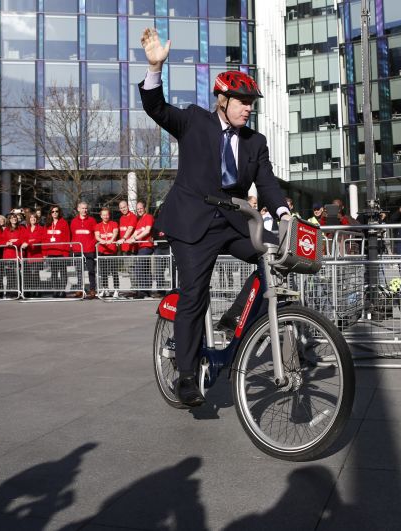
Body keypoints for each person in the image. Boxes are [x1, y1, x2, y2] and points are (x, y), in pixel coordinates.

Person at [140, 28, 289, 406]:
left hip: (234, 222)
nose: (248, 107)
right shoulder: (194, 122)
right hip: (192, 223)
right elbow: (157, 108)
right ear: (222, 100)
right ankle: (187, 376)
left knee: (278, 259)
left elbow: (267, 183)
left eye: (251, 102)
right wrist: (155, 67)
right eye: (241, 101)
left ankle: (237, 319)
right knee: (195, 293)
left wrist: (284, 212)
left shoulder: (255, 141)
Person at [70, 201, 98, 299]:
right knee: (79, 270)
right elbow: (73, 235)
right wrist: (74, 246)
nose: (84, 210)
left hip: (89, 250)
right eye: (82, 208)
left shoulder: (92, 220)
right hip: (78, 250)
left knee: (91, 270)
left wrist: (91, 244)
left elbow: (96, 235)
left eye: (86, 208)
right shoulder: (73, 221)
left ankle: (92, 290)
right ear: (78, 209)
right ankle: (80, 289)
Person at [128, 201, 155, 298]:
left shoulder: (149, 217)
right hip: (140, 247)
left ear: (144, 208)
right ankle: (147, 291)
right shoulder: (139, 221)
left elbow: (147, 231)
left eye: (141, 208)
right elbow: (134, 234)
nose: (139, 210)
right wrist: (126, 240)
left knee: (139, 269)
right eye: (138, 209)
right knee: (145, 270)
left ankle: (142, 292)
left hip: (147, 246)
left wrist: (134, 239)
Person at [43, 206, 71, 297]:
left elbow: (67, 238)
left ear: (59, 212)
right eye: (52, 211)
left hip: (61, 252)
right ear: (50, 213)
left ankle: (63, 291)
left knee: (63, 272)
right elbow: (44, 239)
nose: (54, 213)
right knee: (54, 272)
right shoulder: (47, 224)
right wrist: (44, 253)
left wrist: (66, 253)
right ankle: (55, 290)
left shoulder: (64, 223)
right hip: (51, 252)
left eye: (56, 211)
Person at [95, 207, 119, 297]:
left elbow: (115, 232)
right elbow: (97, 236)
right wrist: (101, 240)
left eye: (107, 214)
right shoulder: (98, 226)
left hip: (112, 251)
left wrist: (111, 240)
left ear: (109, 215)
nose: (105, 216)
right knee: (103, 272)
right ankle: (105, 289)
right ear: (101, 216)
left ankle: (116, 289)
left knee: (114, 272)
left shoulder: (114, 223)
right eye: (104, 215)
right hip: (102, 251)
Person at [21, 213, 47, 297]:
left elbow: (40, 240)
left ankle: (37, 290)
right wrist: (25, 243)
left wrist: (28, 243)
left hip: (38, 254)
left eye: (34, 217)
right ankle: (31, 289)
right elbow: (24, 239)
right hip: (29, 254)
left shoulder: (41, 228)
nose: (33, 219)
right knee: (30, 274)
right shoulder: (26, 229)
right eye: (31, 217)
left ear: (37, 219)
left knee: (36, 273)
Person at [1, 213, 24, 297]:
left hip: (17, 254)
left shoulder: (21, 228)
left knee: (18, 274)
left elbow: (22, 239)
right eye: (11, 218)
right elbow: (2, 240)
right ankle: (10, 292)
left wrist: (14, 242)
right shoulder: (6, 230)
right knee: (9, 275)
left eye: (15, 217)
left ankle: (18, 291)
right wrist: (6, 242)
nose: (14, 219)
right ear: (9, 220)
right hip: (8, 255)